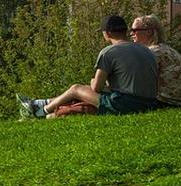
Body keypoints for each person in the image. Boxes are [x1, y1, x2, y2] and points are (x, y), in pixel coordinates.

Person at [19, 15, 159, 118]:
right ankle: (40, 103)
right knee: (85, 92)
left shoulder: (109, 52)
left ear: (107, 33)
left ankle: (40, 112)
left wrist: (93, 81)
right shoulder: (146, 50)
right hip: (151, 103)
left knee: (76, 89)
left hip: (126, 104)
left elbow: (96, 88)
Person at [132, 14, 181, 108]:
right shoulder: (170, 51)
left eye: (135, 30)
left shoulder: (152, 52)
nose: (131, 34)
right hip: (180, 103)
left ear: (149, 32)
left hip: (161, 103)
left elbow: (137, 80)